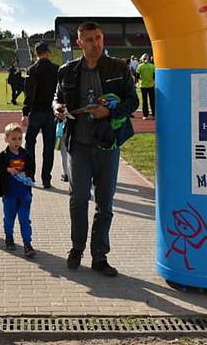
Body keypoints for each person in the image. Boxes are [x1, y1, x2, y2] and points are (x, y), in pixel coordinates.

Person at [53, 21, 139, 277]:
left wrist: (110, 110)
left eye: (99, 37)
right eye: (89, 39)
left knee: (105, 204)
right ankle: (76, 248)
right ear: (79, 43)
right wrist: (56, 108)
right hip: (78, 146)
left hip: (108, 145)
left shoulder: (119, 68)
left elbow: (132, 101)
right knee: (78, 200)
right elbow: (57, 97)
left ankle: (99, 256)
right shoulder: (67, 71)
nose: (95, 43)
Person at [0, 123, 37, 258]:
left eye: (19, 139)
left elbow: (32, 168)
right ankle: (9, 237)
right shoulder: (3, 156)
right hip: (9, 194)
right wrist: (7, 169)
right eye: (13, 139)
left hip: (24, 194)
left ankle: (27, 244)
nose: (17, 142)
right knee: (9, 219)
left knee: (25, 219)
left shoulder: (26, 154)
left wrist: (27, 174)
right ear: (6, 139)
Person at [21, 42, 59, 188]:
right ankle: (46, 179)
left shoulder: (32, 69)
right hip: (51, 112)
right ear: (48, 53)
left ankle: (30, 175)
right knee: (48, 147)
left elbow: (29, 93)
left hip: (36, 112)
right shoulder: (56, 69)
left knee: (30, 144)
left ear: (36, 53)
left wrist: (25, 113)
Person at [137, 53, 156, 120]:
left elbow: (137, 75)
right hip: (150, 85)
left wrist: (138, 81)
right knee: (152, 100)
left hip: (143, 85)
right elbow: (154, 76)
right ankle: (154, 114)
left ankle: (145, 115)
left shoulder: (140, 66)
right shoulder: (152, 66)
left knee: (145, 101)